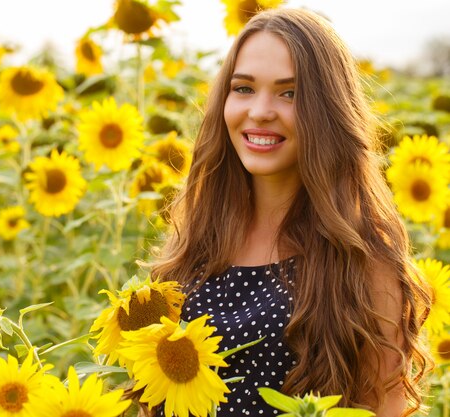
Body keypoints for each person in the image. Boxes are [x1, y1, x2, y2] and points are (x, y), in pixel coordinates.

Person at [149, 7, 432, 417]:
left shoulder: (362, 261)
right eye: (243, 88)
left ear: (329, 111)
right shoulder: (194, 242)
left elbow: (386, 407)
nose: (260, 111)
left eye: (290, 93)